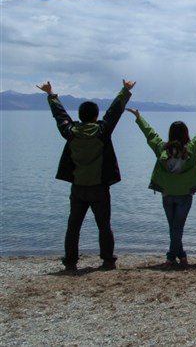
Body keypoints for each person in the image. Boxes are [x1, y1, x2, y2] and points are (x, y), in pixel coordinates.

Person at [38, 79, 135, 271]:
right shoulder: (101, 131)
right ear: (96, 115)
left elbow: (60, 115)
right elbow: (114, 112)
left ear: (80, 116)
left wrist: (50, 94)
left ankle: (70, 262)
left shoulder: (70, 132)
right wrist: (125, 90)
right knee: (104, 226)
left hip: (78, 188)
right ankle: (108, 260)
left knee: (73, 226)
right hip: (99, 188)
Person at [127, 101, 196, 267]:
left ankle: (179, 256)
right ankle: (172, 257)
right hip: (185, 194)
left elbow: (150, 134)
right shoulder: (192, 148)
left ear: (170, 134)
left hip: (167, 193)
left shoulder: (161, 148)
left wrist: (139, 118)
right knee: (176, 228)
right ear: (186, 134)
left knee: (174, 228)